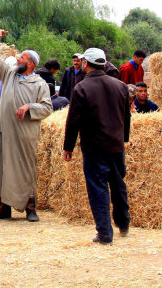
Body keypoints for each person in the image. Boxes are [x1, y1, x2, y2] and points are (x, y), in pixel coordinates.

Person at [0, 30, 52, 223]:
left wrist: (29, 107)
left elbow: (47, 107)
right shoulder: (10, 75)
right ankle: (2, 208)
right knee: (2, 167)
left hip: (24, 136)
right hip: (5, 133)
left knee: (24, 169)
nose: (17, 58)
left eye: (22, 57)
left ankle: (30, 209)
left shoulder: (40, 84)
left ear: (30, 64)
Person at [63, 48, 131, 245]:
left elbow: (73, 120)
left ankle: (104, 233)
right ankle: (123, 223)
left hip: (94, 147)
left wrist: (68, 147)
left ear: (86, 64)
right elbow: (126, 117)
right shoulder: (120, 86)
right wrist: (123, 138)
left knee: (98, 187)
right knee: (118, 185)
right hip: (116, 145)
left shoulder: (82, 88)